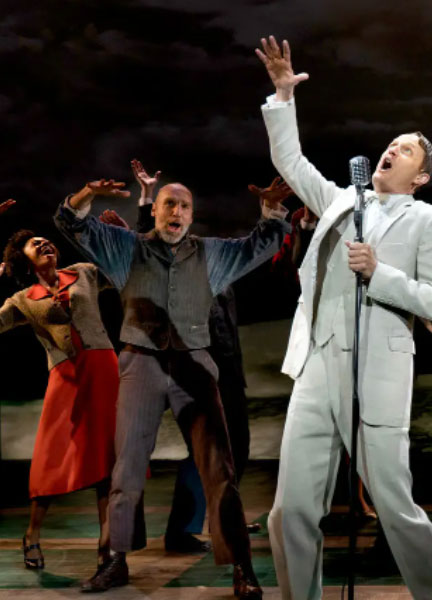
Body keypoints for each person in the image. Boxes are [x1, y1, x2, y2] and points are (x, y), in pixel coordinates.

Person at [256, 35, 432, 599]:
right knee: (290, 509)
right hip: (318, 364)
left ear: (420, 178)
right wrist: (283, 97)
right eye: (391, 143)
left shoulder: (426, 221)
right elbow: (290, 163)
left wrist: (380, 273)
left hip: (376, 373)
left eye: (406, 150)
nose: (392, 149)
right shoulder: (343, 201)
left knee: (396, 509)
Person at [54, 175, 290, 599]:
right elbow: (71, 223)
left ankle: (241, 566)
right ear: (156, 210)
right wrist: (87, 194)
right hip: (140, 361)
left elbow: (260, 244)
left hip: (194, 363)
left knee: (219, 469)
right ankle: (114, 561)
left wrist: (271, 210)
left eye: (183, 206)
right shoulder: (127, 248)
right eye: (169, 204)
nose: (176, 212)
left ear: (191, 216)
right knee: (126, 468)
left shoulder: (210, 254)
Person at [100, 162, 300, 546]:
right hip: (177, 359)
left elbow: (256, 251)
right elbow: (151, 247)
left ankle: (212, 520)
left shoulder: (216, 264)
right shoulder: (165, 259)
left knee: (230, 448)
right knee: (160, 452)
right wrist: (146, 200)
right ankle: (174, 531)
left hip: (220, 365)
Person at [0, 193, 118, 571]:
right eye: (35, 245)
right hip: (64, 378)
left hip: (103, 370)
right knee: (51, 460)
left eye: (46, 241)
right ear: (24, 261)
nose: (45, 244)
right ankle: (32, 534)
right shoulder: (22, 299)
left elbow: (123, 271)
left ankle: (107, 545)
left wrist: (116, 237)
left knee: (107, 459)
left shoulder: (83, 272)